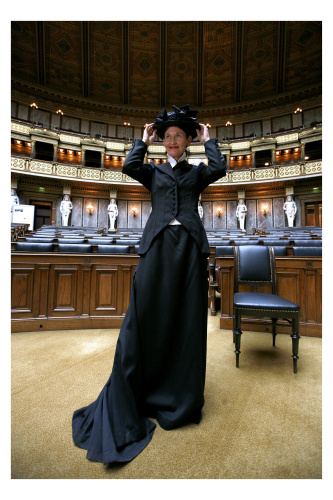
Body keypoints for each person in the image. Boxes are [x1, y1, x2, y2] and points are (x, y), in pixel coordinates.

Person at [72, 104, 227, 464]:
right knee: (147, 316)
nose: (172, 140)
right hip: (157, 249)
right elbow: (128, 166)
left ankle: (180, 399)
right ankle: (145, 389)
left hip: (188, 249)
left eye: (179, 136)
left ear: (188, 140)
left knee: (185, 319)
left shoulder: (198, 171)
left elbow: (220, 167)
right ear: (163, 142)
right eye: (167, 136)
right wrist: (142, 141)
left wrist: (209, 140)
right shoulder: (153, 172)